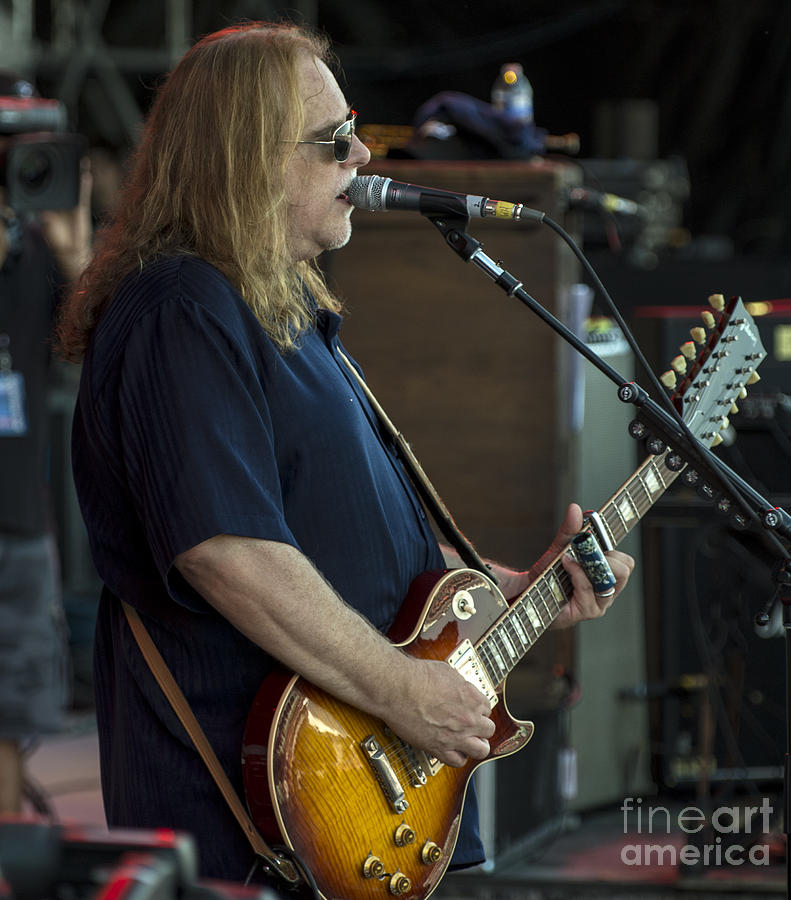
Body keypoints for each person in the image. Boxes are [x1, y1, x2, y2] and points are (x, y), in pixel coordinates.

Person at [56, 21, 634, 887]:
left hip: (349, 810)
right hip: (260, 824)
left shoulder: (279, 312)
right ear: (244, 157)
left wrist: (514, 593)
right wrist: (404, 693)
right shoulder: (181, 309)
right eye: (334, 141)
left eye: (354, 128)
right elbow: (229, 551)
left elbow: (340, 544)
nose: (363, 153)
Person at [0, 71, 92, 814]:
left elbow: (106, 354)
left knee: (10, 718)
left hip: (20, 525)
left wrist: (75, 252)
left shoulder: (34, 247)